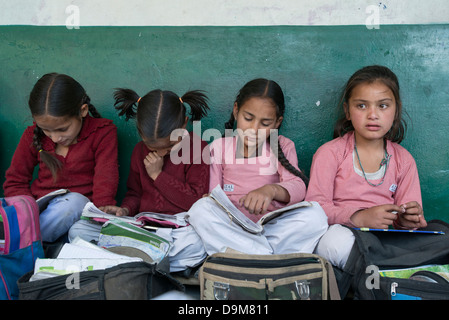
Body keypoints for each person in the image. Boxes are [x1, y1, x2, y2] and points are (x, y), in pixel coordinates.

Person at [69, 87, 210, 272]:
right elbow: (135, 193)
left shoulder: (197, 147)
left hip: (178, 233)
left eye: (169, 147)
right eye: (152, 147)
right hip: (143, 229)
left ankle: (129, 261)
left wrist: (158, 176)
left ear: (184, 124)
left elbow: (195, 201)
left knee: (196, 244)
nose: (160, 153)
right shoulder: (138, 151)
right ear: (140, 132)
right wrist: (125, 210)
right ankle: (145, 261)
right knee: (78, 230)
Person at [187, 78, 328, 255]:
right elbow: (213, 196)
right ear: (236, 110)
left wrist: (271, 190)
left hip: (273, 229)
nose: (254, 128)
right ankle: (266, 257)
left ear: (277, 122)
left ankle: (250, 255)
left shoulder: (283, 146)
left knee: (316, 215)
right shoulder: (219, 147)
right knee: (200, 210)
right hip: (233, 229)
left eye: (265, 123)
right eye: (248, 118)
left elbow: (299, 187)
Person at [306, 65, 427, 269]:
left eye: (383, 106)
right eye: (362, 106)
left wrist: (408, 219)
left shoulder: (404, 160)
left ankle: (379, 271)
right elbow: (314, 209)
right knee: (334, 244)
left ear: (396, 109)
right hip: (341, 234)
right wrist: (359, 217)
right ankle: (382, 273)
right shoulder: (330, 153)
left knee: (435, 241)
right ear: (347, 111)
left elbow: (406, 218)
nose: (372, 114)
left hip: (382, 240)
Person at [3, 73, 119, 243]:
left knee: (76, 206)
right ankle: (26, 241)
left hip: (82, 217)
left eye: (63, 129)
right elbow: (15, 182)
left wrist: (101, 213)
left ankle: (23, 242)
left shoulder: (102, 133)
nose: (55, 138)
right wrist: (25, 212)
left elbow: (105, 179)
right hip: (41, 216)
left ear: (83, 111)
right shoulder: (32, 136)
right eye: (46, 130)